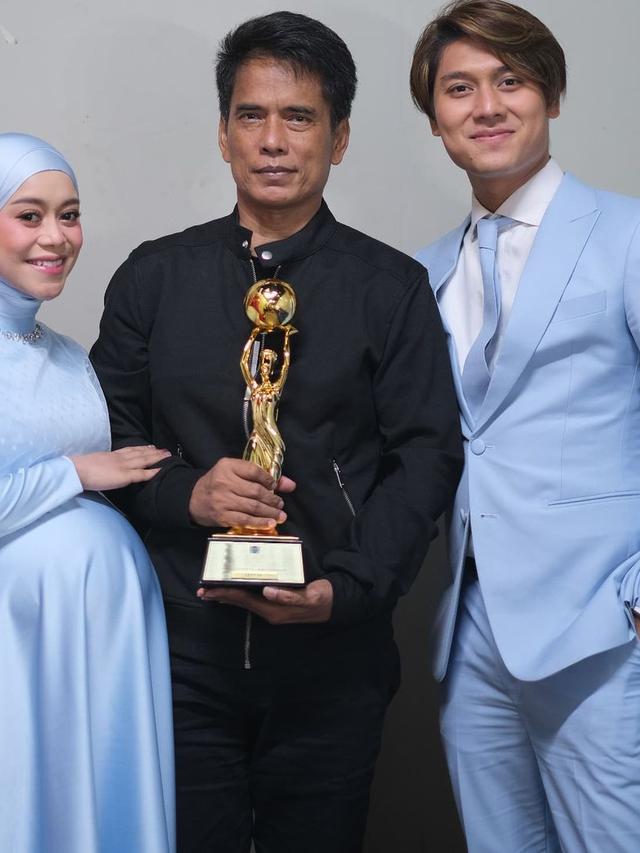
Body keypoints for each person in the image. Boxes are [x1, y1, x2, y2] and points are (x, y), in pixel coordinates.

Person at [90, 10, 462, 853]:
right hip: (180, 654)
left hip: (334, 659)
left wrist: (347, 589)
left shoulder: (391, 288)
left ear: (339, 138)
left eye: (299, 117)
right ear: (223, 134)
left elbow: (426, 457)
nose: (272, 141)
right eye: (251, 115)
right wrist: (188, 493)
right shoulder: (154, 277)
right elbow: (109, 432)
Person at [410, 1, 640, 850]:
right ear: (435, 118)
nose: (487, 106)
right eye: (459, 88)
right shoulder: (426, 271)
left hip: (604, 627)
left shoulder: (627, 235)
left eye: (510, 80)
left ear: (551, 94)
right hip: (471, 632)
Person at [0, 133, 175, 853]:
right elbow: (82, 475)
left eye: (69, 215)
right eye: (29, 215)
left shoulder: (70, 355)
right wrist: (77, 473)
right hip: (20, 642)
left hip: (107, 637)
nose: (56, 236)